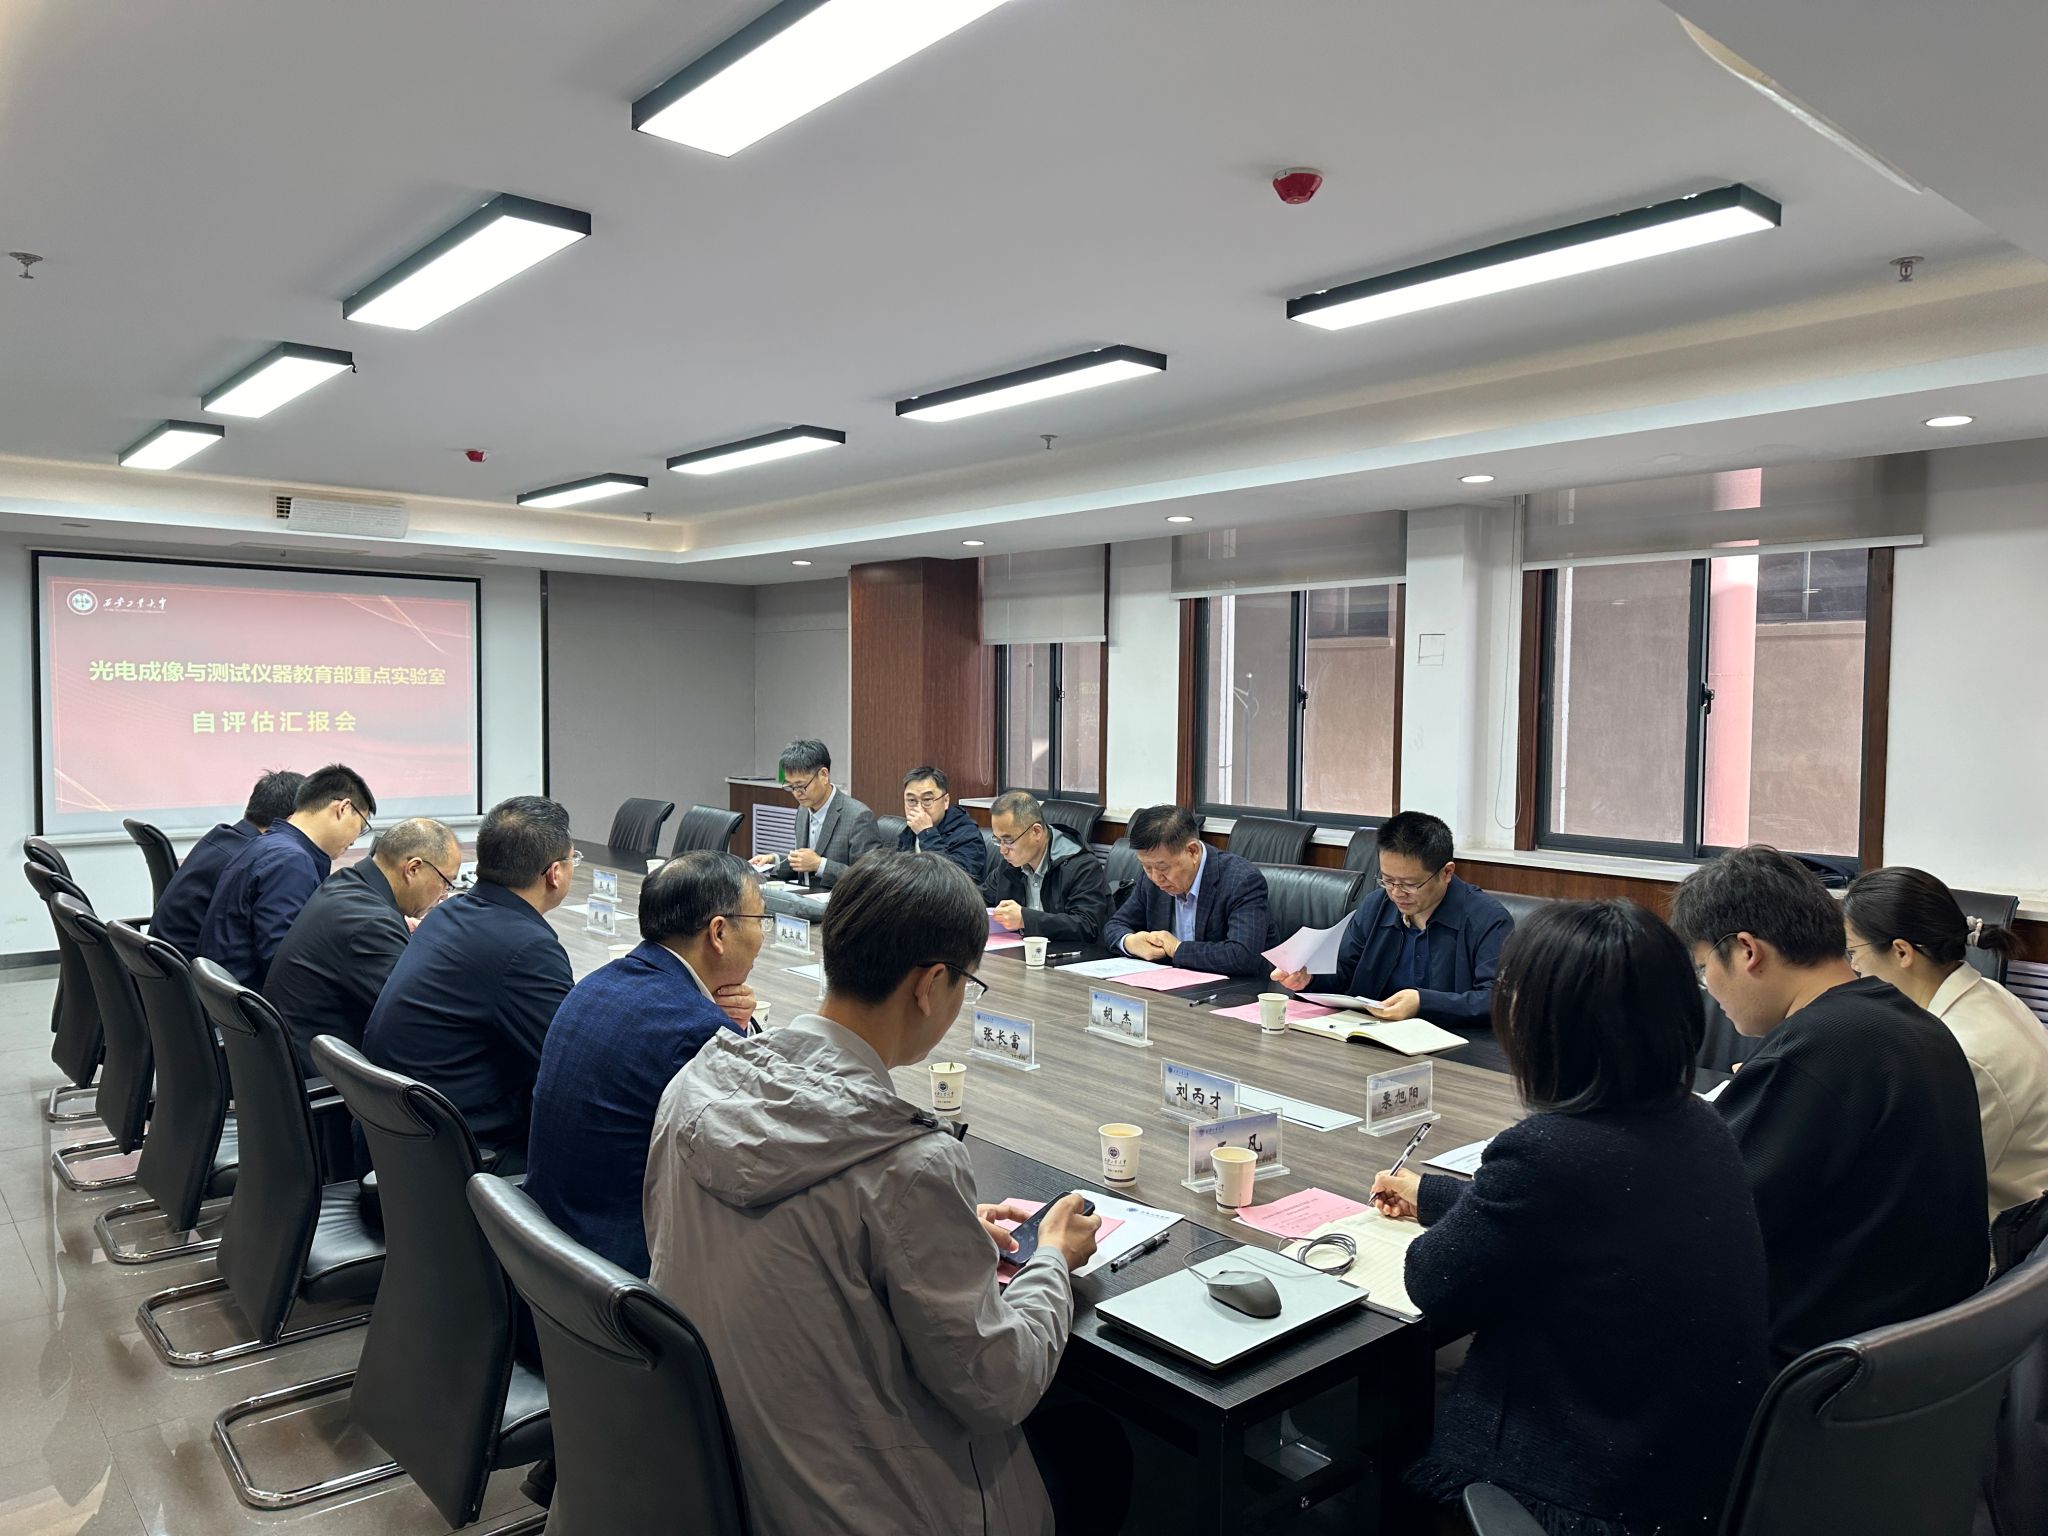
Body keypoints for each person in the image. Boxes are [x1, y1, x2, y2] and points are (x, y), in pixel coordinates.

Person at [645, 852, 1127, 1536]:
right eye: (966, 984)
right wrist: (1052, 1257)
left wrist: (943, 1229)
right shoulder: (909, 1165)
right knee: (1098, 1446)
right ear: (930, 985)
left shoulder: (692, 1088)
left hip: (728, 1475)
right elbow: (999, 1387)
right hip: (870, 1509)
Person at [1370, 901, 1771, 1534]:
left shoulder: (1552, 1152)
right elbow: (1574, 1227)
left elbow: (1432, 1281)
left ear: (1550, 1025)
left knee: (1381, 1424)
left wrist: (1464, 1211)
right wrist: (1436, 1197)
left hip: (1590, 1485)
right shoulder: (1698, 1120)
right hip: (1693, 1468)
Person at [1672, 845, 1987, 1364]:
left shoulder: (1817, 1051)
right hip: (1923, 1357)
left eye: (1705, 969)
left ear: (1747, 951)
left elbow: (1702, 1223)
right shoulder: (1909, 1022)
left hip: (1822, 1369)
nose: (1710, 991)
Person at [524, 852, 765, 1276]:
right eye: (761, 919)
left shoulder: (596, 983)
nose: (763, 936)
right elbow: (750, 1169)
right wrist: (729, 1032)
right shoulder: (695, 1030)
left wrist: (734, 1025)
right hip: (619, 1271)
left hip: (547, 1244)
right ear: (719, 932)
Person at [361, 796, 575, 1173]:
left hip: (397, 1142)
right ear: (555, 873)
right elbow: (573, 1064)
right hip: (458, 1160)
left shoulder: (448, 913)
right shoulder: (526, 948)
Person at [1844, 867, 2048, 1223]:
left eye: (1853, 951)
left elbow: (1919, 1189)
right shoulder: (1984, 993)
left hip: (1999, 1237)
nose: (1855, 966)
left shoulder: (1965, 1053)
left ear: (1902, 952)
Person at [1270, 810, 1513, 1028]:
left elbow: (1496, 1000)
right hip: (1373, 1035)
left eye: (1410, 884)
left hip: (1454, 1046)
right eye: (1387, 880)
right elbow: (1345, 973)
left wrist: (1423, 1002)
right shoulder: (1376, 906)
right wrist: (1309, 978)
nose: (1396, 893)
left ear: (1447, 872)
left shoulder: (1488, 920)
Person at [263, 818, 461, 1078]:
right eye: (446, 882)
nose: (444, 894)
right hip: (325, 1076)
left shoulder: (345, 884)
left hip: (294, 1060)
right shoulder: (372, 924)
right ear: (413, 869)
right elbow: (420, 1021)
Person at [198, 764, 375, 986]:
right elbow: (284, 961)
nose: (356, 839)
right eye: (362, 826)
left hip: (231, 993)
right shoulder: (291, 861)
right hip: (253, 996)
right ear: (343, 808)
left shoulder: (269, 845)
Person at [1100, 804, 1273, 977]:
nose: (1156, 877)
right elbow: (1115, 925)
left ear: (1192, 851)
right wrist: (1130, 942)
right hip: (1169, 983)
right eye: (1146, 867)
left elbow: (1242, 955)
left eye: (1163, 868)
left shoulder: (1242, 880)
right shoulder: (1152, 878)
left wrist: (1177, 949)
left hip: (1234, 988)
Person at [148, 768, 304, 959]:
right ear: (293, 818)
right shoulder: (255, 859)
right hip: (194, 968)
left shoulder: (221, 836)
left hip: (167, 962)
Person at [748, 738, 881, 890]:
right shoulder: (803, 810)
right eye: (791, 787)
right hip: (803, 897)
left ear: (824, 775)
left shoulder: (858, 816)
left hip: (837, 902)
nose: (797, 793)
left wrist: (820, 865)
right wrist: (774, 861)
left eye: (801, 786)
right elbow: (805, 864)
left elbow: (869, 879)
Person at [982, 789, 1111, 944]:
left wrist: (1025, 919)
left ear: (1036, 832)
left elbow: (1087, 926)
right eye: (998, 840)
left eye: (1008, 841)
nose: (1002, 850)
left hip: (1071, 955)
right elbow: (981, 900)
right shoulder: (1010, 865)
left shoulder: (1081, 866)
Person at [895, 765, 987, 881]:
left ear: (945, 801)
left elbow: (954, 882)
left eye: (927, 800)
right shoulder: (910, 830)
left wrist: (926, 833)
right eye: (911, 800)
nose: (919, 808)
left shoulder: (968, 835)